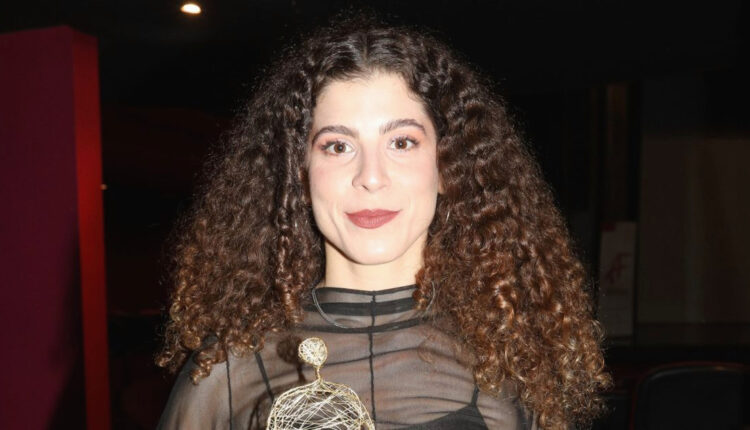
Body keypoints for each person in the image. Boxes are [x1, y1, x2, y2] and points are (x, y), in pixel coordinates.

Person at [155, 14, 612, 430]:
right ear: (300, 174)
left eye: (402, 143)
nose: (371, 177)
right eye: (338, 146)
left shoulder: (510, 362)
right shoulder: (230, 368)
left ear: (448, 167)